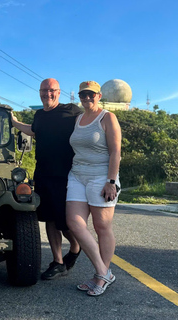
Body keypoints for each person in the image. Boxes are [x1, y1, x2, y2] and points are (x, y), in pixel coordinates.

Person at [11, 78, 82, 280]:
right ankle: (58, 262)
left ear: (58, 92)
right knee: (49, 219)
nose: (47, 94)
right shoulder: (39, 115)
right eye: (44, 90)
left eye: (51, 90)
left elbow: (88, 125)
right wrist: (14, 123)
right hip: (43, 174)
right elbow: (33, 130)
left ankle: (76, 248)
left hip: (66, 175)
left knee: (65, 221)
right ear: (40, 92)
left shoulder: (71, 111)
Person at [66, 80, 122, 296]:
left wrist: (111, 181)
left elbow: (115, 151)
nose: (87, 98)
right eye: (83, 95)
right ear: (79, 97)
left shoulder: (107, 117)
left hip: (102, 177)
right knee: (74, 223)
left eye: (91, 95)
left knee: (101, 227)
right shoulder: (78, 118)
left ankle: (101, 276)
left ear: (99, 96)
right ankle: (103, 272)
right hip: (77, 175)